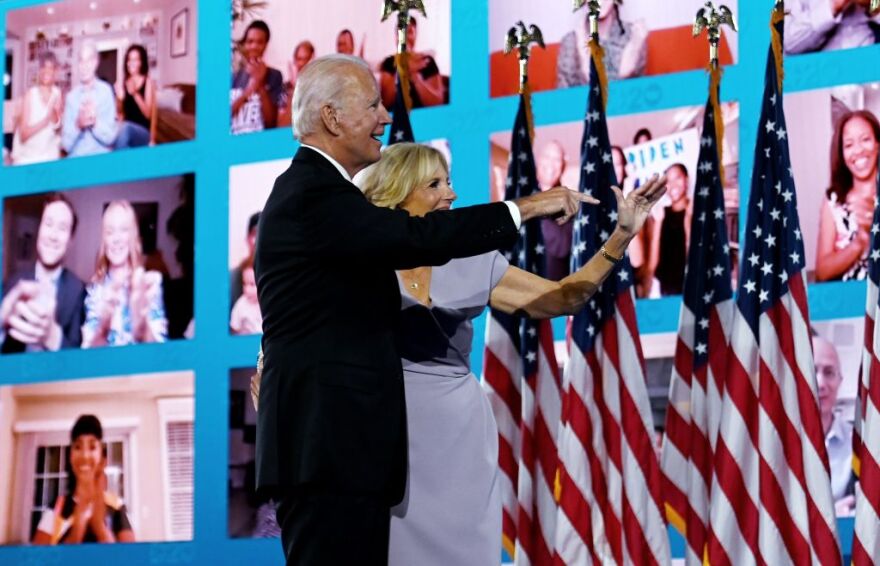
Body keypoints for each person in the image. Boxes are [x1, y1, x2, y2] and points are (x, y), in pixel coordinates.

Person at [253, 54, 592, 565]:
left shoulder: (319, 194)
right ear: (331, 117)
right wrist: (525, 207)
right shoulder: (312, 194)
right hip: (326, 451)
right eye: (371, 105)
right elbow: (417, 237)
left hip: (343, 451)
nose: (385, 118)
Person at [357, 143, 667, 566]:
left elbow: (561, 298)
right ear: (398, 191)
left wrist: (622, 235)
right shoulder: (358, 261)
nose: (451, 194)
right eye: (434, 184)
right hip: (384, 430)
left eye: (448, 182)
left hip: (459, 436)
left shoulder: (471, 259)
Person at [0, 194, 85, 353]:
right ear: (39, 229)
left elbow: (78, 359)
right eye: (48, 224)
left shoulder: (78, 291)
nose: (53, 236)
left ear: (71, 240)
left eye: (62, 228)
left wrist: (54, 338)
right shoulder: (12, 282)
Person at [32, 415, 135, 544]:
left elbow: (130, 558)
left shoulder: (116, 506)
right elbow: (36, 560)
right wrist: (78, 527)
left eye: (92, 447)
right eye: (78, 447)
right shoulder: (57, 508)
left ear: (103, 459)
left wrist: (98, 525)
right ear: (70, 456)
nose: (85, 456)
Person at [82, 200, 167, 348]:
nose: (116, 239)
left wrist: (143, 329)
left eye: (123, 230)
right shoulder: (95, 290)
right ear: (104, 240)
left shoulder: (149, 285)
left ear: (133, 236)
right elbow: (89, 355)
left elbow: (162, 355)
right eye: (110, 232)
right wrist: (103, 328)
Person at [815, 110, 880, 281]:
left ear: (877, 144)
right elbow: (822, 271)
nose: (858, 150)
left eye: (865, 139)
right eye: (849, 144)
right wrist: (860, 241)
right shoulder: (833, 201)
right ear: (842, 155)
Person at [812, 334, 857, 515]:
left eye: (829, 372)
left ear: (840, 381)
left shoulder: (859, 444)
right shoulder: (772, 441)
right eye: (811, 370)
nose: (821, 383)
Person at [556, 0, 648, 87]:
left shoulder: (633, 35)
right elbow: (563, 99)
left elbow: (636, 95)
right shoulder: (570, 42)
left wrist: (634, 48)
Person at [61, 40, 118, 156]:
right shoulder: (71, 98)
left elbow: (111, 137)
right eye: (81, 60)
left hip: (100, 160)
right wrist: (78, 125)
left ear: (96, 62)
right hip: (77, 161)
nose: (85, 66)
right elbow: (65, 145)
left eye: (89, 60)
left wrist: (94, 122)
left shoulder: (105, 91)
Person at [231, 20, 286, 134]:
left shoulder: (275, 75)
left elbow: (271, 122)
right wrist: (248, 91)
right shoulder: (234, 77)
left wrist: (260, 84)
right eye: (250, 41)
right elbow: (225, 116)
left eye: (260, 42)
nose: (254, 46)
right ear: (245, 44)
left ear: (266, 45)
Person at [379, 17, 446, 109]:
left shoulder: (427, 61)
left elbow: (438, 102)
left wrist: (415, 76)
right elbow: (385, 102)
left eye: (410, 32)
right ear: (396, 37)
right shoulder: (388, 62)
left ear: (416, 35)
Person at [647, 162, 691, 296]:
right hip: (667, 291)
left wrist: (688, 219)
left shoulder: (696, 210)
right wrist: (659, 223)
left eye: (677, 178)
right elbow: (652, 267)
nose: (673, 185)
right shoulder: (660, 215)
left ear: (687, 180)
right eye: (668, 181)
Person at [11, 51, 62, 165]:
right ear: (39, 70)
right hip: (28, 157)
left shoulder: (57, 93)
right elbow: (23, 135)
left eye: (51, 67)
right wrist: (44, 122)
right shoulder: (30, 95)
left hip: (49, 155)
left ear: (55, 71)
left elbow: (57, 128)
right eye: (43, 66)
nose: (46, 71)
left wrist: (54, 113)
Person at [536, 140, 573, 281]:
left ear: (563, 166)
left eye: (557, 159)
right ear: (538, 160)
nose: (551, 163)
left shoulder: (569, 204)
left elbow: (562, 246)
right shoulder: (520, 196)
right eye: (547, 156)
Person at [785, 0, 880, 54]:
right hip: (815, 81)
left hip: (868, 77)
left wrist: (872, 5)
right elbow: (789, 45)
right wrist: (833, 6)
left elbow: (875, 8)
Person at [114, 44, 155, 148]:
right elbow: (120, 114)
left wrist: (135, 93)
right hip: (126, 131)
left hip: (143, 132)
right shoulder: (124, 83)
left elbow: (148, 114)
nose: (131, 63)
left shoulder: (148, 81)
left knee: (125, 128)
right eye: (129, 59)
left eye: (135, 59)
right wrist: (119, 98)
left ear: (141, 63)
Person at [278, 41, 316, 127]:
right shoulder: (286, 88)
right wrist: (295, 90)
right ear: (294, 61)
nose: (302, 64)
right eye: (299, 59)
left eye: (307, 59)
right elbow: (281, 125)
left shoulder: (321, 87)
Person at [231, 212, 260, 309]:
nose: (259, 240)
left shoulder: (278, 273)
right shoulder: (234, 277)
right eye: (255, 233)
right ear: (247, 239)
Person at [231, 255, 262, 335]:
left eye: (252, 284)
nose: (247, 290)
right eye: (244, 283)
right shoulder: (241, 305)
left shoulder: (266, 302)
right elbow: (234, 329)